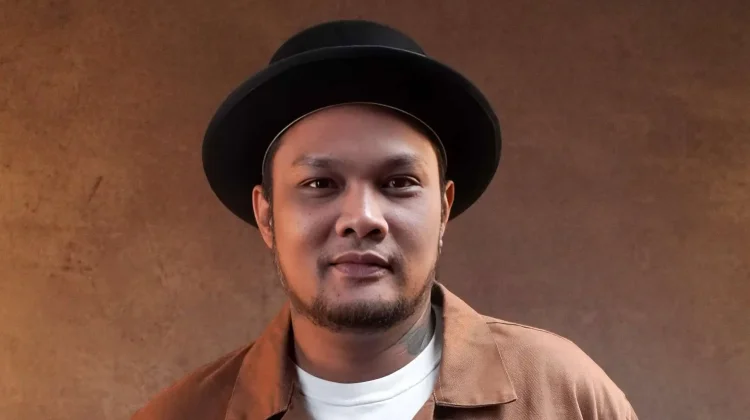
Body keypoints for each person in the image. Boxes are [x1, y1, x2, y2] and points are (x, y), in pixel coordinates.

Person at [132, 20, 638, 420]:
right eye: (320, 184)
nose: (362, 218)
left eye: (398, 182)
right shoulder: (182, 414)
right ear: (266, 216)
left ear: (444, 209)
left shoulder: (563, 396)